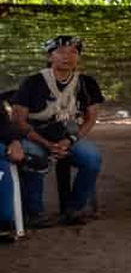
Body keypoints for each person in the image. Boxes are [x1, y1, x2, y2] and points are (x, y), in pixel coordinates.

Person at [12, 35, 106, 227]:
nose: (68, 56)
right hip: (36, 136)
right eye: (61, 52)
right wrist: (46, 143)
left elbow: (90, 119)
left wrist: (70, 140)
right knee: (35, 157)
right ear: (49, 57)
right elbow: (18, 121)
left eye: (73, 52)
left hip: (68, 137)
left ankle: (74, 209)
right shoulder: (33, 82)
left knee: (92, 158)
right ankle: (34, 213)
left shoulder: (87, 83)